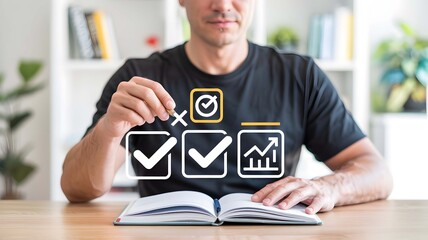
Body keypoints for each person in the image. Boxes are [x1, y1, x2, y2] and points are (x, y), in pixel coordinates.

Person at [61, 0, 393, 214]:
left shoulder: (299, 76)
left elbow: (377, 172)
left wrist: (327, 186)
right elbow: (78, 189)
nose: (222, 5)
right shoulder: (138, 78)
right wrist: (108, 130)